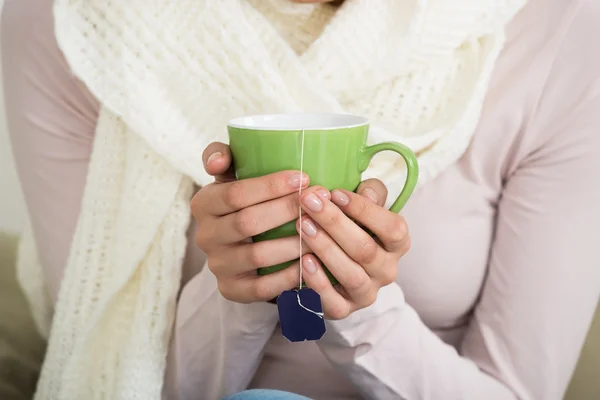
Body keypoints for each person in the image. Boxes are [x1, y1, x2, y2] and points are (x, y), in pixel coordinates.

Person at [2, 0, 599, 399]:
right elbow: (104, 373)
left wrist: (362, 306)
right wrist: (238, 288)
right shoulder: (79, 26)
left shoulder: (557, 33)